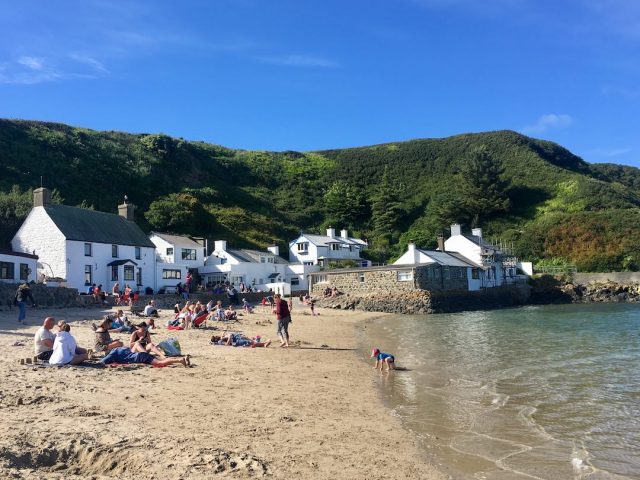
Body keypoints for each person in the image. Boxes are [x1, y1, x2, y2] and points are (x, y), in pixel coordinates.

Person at [100, 347, 190, 367]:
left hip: (140, 358)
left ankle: (180, 360)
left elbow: (102, 362)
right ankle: (181, 359)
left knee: (160, 363)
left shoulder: (113, 353)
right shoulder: (121, 348)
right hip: (141, 354)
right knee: (162, 360)